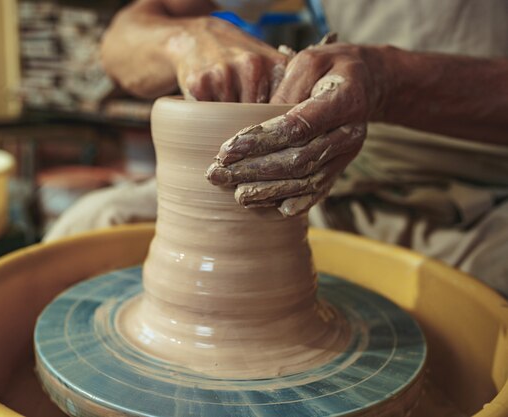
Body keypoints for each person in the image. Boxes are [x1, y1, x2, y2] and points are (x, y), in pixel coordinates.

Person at [44, 0, 508, 296]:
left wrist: (389, 81)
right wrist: (187, 36)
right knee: (90, 223)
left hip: (483, 204)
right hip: (334, 174)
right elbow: (123, 42)